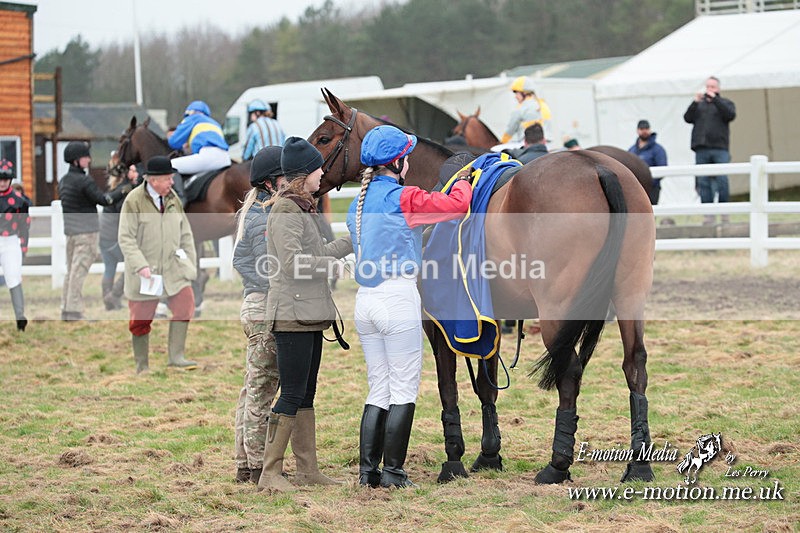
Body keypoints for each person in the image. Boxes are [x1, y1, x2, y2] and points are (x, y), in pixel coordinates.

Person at [346, 125, 474, 488]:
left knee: (378, 388)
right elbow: (457, 206)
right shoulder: (405, 197)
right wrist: (459, 178)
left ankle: (368, 472)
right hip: (397, 298)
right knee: (403, 388)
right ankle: (394, 473)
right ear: (399, 162)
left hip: (366, 302)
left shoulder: (358, 202)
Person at [256, 137, 353, 493]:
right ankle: (270, 473)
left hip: (308, 314)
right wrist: (334, 266)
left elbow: (319, 250)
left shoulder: (301, 208)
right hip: (292, 315)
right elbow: (293, 263)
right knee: (292, 393)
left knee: (306, 393)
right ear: (303, 175)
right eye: (317, 169)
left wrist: (351, 241)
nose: (322, 173)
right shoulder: (284, 212)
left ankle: (308, 470)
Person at [231, 146, 284, 485]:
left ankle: (243, 461)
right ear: (269, 183)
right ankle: (256, 466)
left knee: (251, 388)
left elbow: (240, 261)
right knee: (263, 390)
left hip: (254, 303)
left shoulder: (253, 212)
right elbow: (265, 267)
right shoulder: (265, 218)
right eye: (284, 177)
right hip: (265, 306)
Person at [118, 155, 199, 373]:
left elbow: (186, 233)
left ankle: (177, 357)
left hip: (174, 268)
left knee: (186, 305)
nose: (172, 182)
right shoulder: (133, 201)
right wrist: (140, 265)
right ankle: (142, 366)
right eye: (168, 178)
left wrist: (189, 263)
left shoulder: (173, 199)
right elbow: (125, 238)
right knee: (141, 319)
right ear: (154, 180)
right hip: (146, 272)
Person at [58, 141, 123, 321]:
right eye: (86, 156)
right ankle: (75, 311)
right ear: (77, 160)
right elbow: (104, 200)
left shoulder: (64, 181)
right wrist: (122, 190)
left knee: (71, 271)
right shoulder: (84, 181)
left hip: (71, 232)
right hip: (86, 232)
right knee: (79, 272)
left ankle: (66, 308)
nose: (89, 159)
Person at [683, 76, 736, 224]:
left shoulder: (725, 103)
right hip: (701, 149)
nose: (709, 89)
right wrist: (694, 102)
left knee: (722, 181)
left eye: (712, 87)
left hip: (720, 148)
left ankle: (725, 213)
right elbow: (687, 118)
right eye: (708, 86)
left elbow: (730, 115)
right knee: (703, 182)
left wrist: (716, 100)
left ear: (718, 89)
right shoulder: (699, 105)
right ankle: (708, 215)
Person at [168, 100, 231, 199]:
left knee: (170, 165)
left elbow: (173, 141)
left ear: (189, 113)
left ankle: (180, 200)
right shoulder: (215, 123)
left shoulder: (192, 118)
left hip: (208, 156)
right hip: (226, 158)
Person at [99, 163, 140, 310]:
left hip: (104, 236)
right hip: (114, 236)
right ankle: (114, 295)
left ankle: (108, 301)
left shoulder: (115, 189)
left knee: (109, 268)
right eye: (132, 170)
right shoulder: (126, 191)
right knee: (134, 264)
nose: (135, 174)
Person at [0, 159, 31, 331]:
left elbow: (24, 227)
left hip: (10, 241)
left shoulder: (20, 202)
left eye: (5, 179)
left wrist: (24, 247)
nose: (2, 182)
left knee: (13, 278)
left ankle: (20, 317)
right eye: (0, 179)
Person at [500, 76, 552, 144]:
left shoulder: (521, 108)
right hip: (547, 145)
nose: (515, 97)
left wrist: (502, 142)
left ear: (524, 93)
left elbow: (510, 130)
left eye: (516, 93)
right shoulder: (543, 105)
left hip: (527, 145)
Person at [628, 119, 668, 205]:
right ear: (637, 130)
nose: (644, 131)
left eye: (646, 128)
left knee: (651, 213)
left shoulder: (658, 150)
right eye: (642, 129)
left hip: (652, 189)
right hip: (635, 189)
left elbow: (662, 168)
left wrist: (649, 182)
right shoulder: (632, 150)